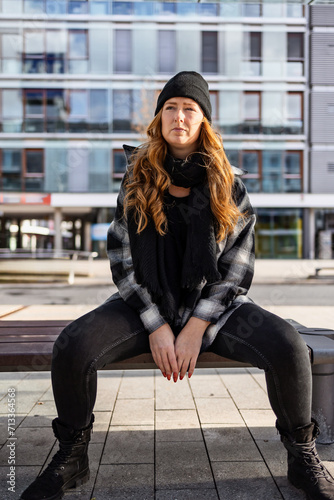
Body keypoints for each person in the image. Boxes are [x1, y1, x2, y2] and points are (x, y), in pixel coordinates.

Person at [20, 71, 334, 500]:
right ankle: (72, 456)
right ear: (159, 119)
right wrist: (156, 324)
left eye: (190, 109)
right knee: (71, 346)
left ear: (203, 121)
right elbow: (122, 259)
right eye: (170, 107)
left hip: (215, 309)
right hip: (144, 303)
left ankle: (301, 457)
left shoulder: (229, 183)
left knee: (289, 345)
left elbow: (236, 270)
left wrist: (195, 326)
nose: (179, 116)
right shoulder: (137, 179)